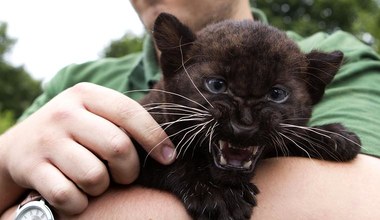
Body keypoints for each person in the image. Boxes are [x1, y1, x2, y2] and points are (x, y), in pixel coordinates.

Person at [1, 0, 380, 219]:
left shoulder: (340, 54)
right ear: (174, 65)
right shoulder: (73, 80)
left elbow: (360, 203)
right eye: (216, 86)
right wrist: (7, 160)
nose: (244, 118)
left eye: (277, 94)